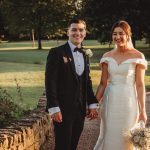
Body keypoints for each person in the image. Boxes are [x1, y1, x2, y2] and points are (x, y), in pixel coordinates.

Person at [45, 18, 98, 150]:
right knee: (63, 146)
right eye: (74, 29)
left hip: (80, 110)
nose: (77, 33)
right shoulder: (56, 52)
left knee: (73, 145)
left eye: (81, 30)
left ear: (85, 33)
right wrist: (54, 107)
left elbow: (87, 81)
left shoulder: (85, 54)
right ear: (67, 32)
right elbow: (50, 81)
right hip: (62, 109)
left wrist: (92, 103)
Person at [94, 20, 147, 150]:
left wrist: (143, 111)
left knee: (127, 135)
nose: (117, 37)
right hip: (110, 101)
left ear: (128, 35)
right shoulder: (107, 56)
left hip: (129, 101)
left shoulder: (138, 56)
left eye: (121, 33)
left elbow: (140, 85)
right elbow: (102, 83)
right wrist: (94, 104)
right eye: (114, 34)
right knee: (110, 133)